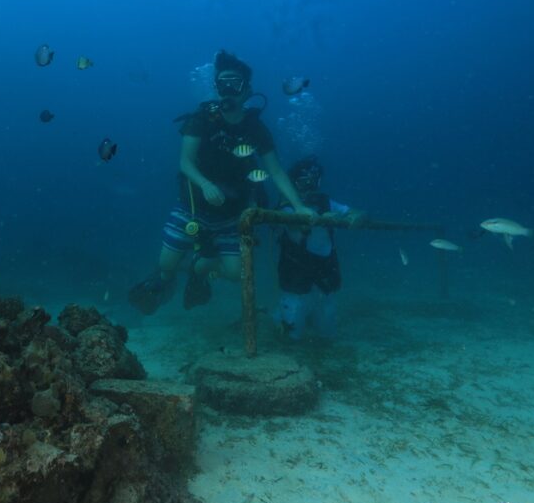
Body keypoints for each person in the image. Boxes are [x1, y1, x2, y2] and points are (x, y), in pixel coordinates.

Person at [129, 50, 316, 315]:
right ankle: (170, 277)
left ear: (247, 89)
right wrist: (205, 184)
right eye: (222, 83)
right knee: (166, 266)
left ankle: (200, 268)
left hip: (232, 215)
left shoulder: (256, 129)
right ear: (215, 87)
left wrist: (298, 206)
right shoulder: (201, 119)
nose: (228, 89)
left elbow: (275, 171)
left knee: (234, 273)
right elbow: (185, 161)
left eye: (235, 83)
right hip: (192, 209)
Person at [274, 155, 366, 340]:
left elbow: (357, 212)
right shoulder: (287, 204)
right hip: (296, 271)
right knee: (292, 335)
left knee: (327, 333)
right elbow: (293, 224)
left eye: (313, 183)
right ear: (293, 183)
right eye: (302, 183)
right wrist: (324, 218)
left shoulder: (326, 202)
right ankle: (282, 317)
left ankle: (310, 318)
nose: (308, 188)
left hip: (324, 270)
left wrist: (357, 217)